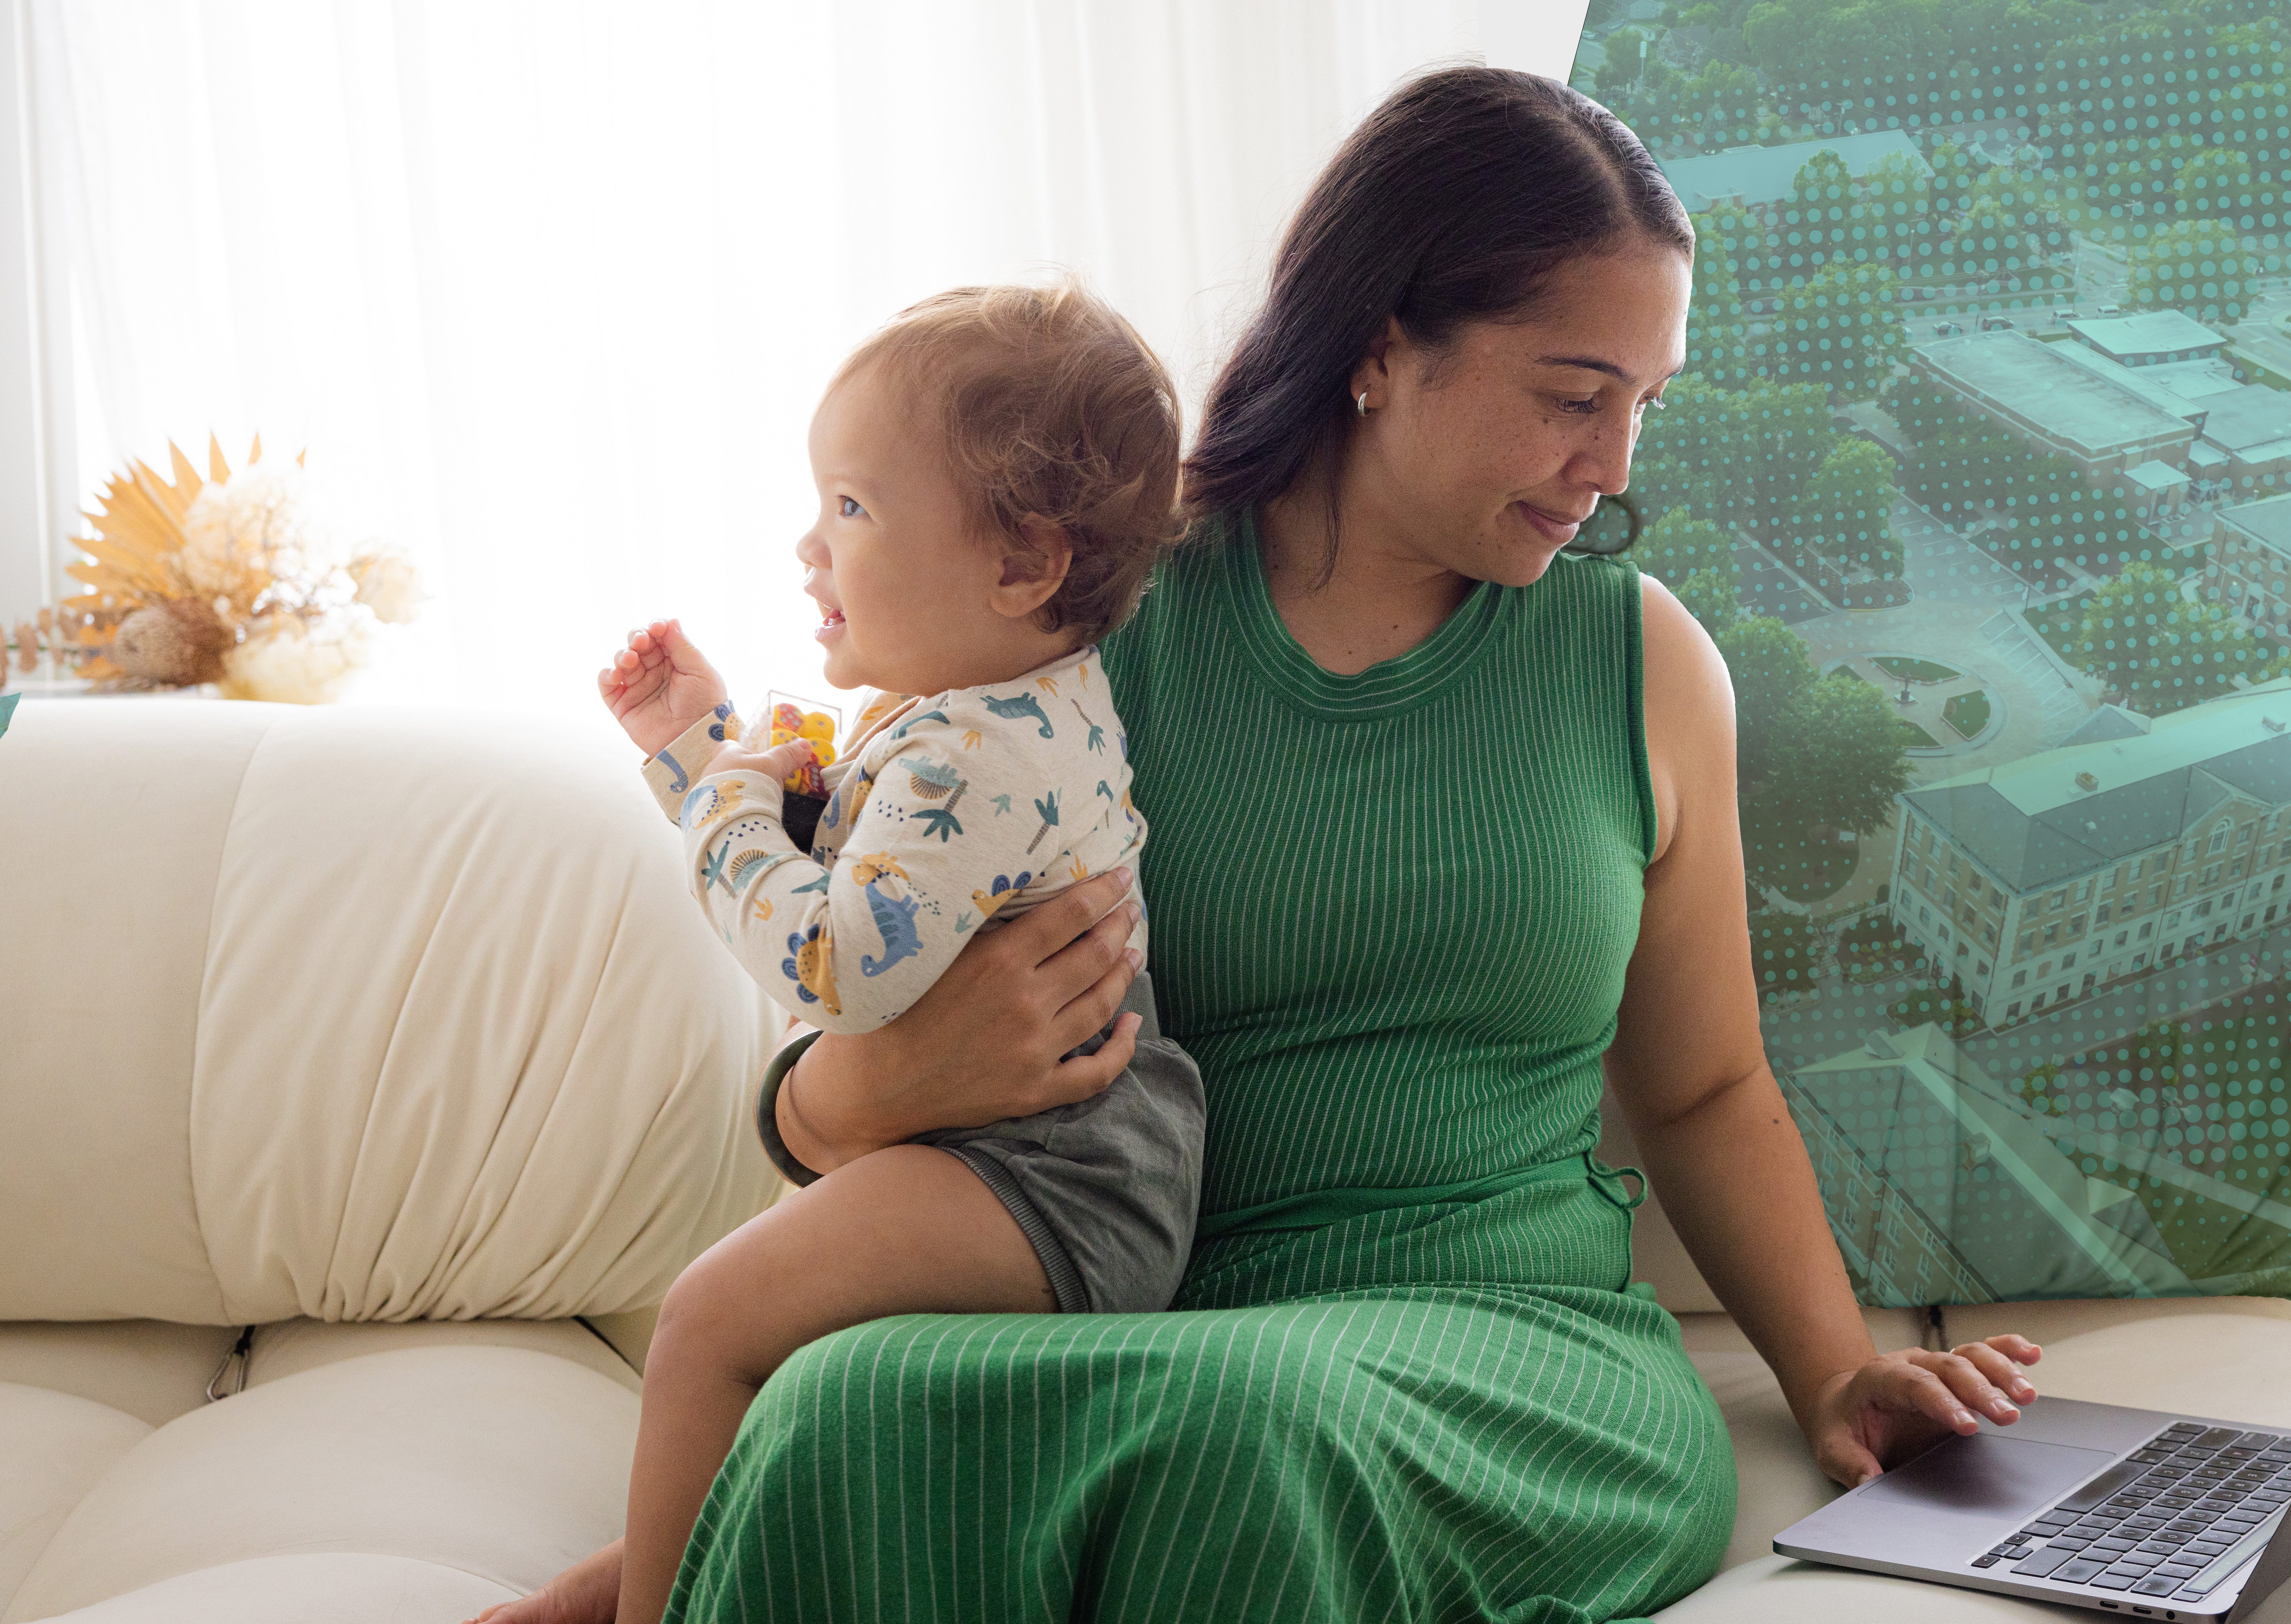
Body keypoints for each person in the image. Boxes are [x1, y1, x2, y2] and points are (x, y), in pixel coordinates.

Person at [481, 66, 2040, 1624]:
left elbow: (1701, 1087)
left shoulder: (1641, 664)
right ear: (1379, 347)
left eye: (1645, 403)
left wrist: (1837, 1369)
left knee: (1246, 1432)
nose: (1615, 463)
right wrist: (856, 1096)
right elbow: (853, 1044)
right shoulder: (1076, 631)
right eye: (1574, 395)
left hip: (1515, 1361)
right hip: (1125, 1329)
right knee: (859, 1409)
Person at [534, 281, 1208, 1624]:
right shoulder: (978, 712)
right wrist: (701, 747)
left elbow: (834, 968)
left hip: (1060, 1174)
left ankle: (647, 1610)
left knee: (714, 1322)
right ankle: (651, 1566)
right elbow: (837, 861)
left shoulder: (974, 754)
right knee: (779, 1331)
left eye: (852, 508)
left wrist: (723, 805)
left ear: (1021, 566)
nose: (809, 548)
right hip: (1027, 1149)